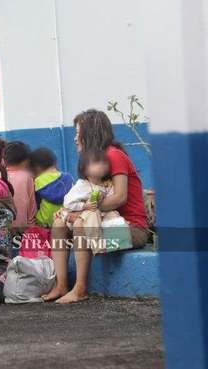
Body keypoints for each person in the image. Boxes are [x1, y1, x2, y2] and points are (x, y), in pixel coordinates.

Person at [44, 109, 148, 304]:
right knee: (59, 222)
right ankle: (61, 285)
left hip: (131, 229)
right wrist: (70, 211)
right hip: (105, 223)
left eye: (78, 133)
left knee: (81, 224)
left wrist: (81, 212)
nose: (75, 139)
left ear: (90, 133)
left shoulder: (113, 156)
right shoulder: (94, 161)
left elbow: (119, 198)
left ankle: (81, 288)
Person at [29, 147, 73, 227]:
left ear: (36, 168)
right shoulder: (68, 178)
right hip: (65, 221)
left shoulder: (37, 182)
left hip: (43, 223)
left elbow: (34, 205)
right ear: (54, 163)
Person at [3, 141, 37, 229]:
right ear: (26, 161)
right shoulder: (27, 177)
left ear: (4, 160)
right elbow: (32, 210)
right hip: (22, 230)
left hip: (2, 230)